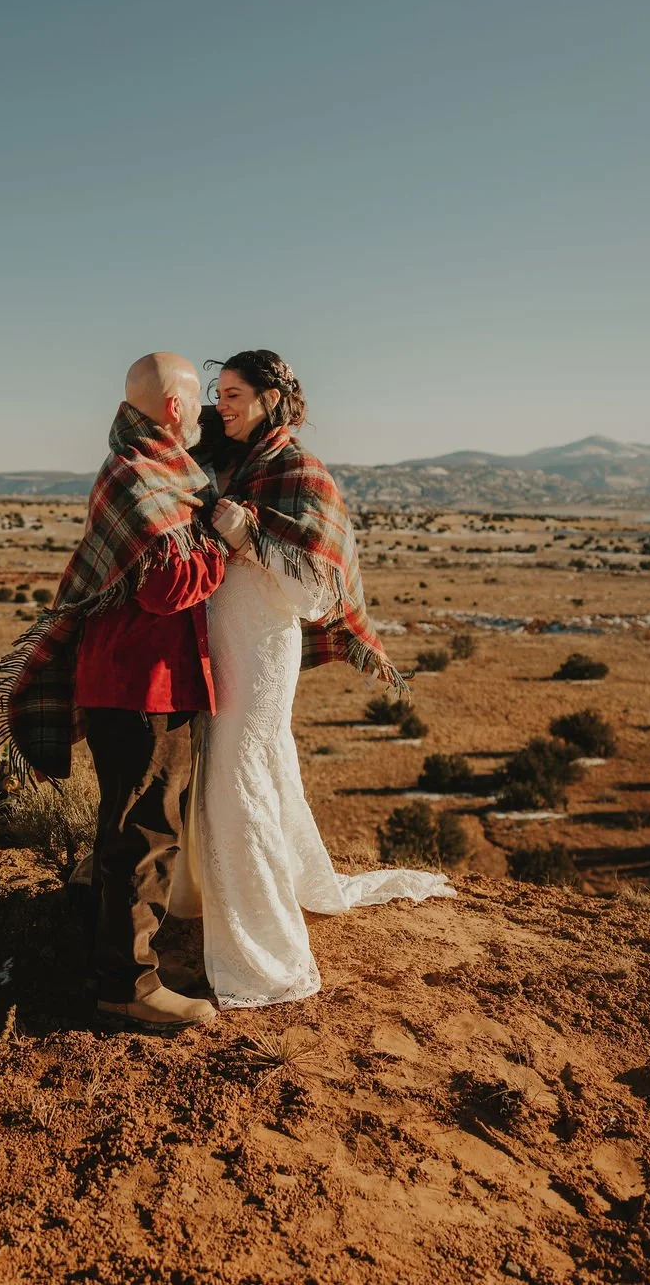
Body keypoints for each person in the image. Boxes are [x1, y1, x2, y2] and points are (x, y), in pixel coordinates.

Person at [170, 349, 455, 1008]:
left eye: (235, 391)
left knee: (238, 777)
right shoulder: (235, 465)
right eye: (219, 392)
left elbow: (314, 594)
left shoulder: (303, 472)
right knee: (240, 770)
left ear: (273, 397)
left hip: (262, 647)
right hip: (221, 641)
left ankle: (266, 954)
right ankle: (222, 898)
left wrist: (247, 535)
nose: (223, 403)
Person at [0, 353, 225, 1030]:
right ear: (176, 408)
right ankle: (129, 985)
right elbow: (166, 585)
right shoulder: (140, 472)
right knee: (145, 831)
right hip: (140, 684)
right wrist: (222, 543)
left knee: (132, 825)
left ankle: (113, 959)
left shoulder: (149, 464)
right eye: (197, 401)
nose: (204, 412)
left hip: (142, 680)